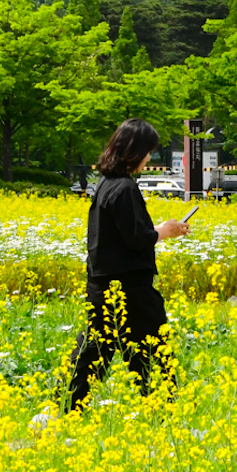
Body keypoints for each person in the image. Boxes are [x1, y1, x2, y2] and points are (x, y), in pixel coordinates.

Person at [65, 118, 190, 409]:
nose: (149, 158)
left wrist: (158, 228)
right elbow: (136, 238)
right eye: (147, 151)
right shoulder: (124, 189)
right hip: (129, 288)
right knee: (153, 348)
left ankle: (64, 406)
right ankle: (164, 409)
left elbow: (121, 234)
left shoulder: (105, 186)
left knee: (93, 351)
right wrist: (164, 232)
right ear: (133, 151)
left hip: (102, 285)